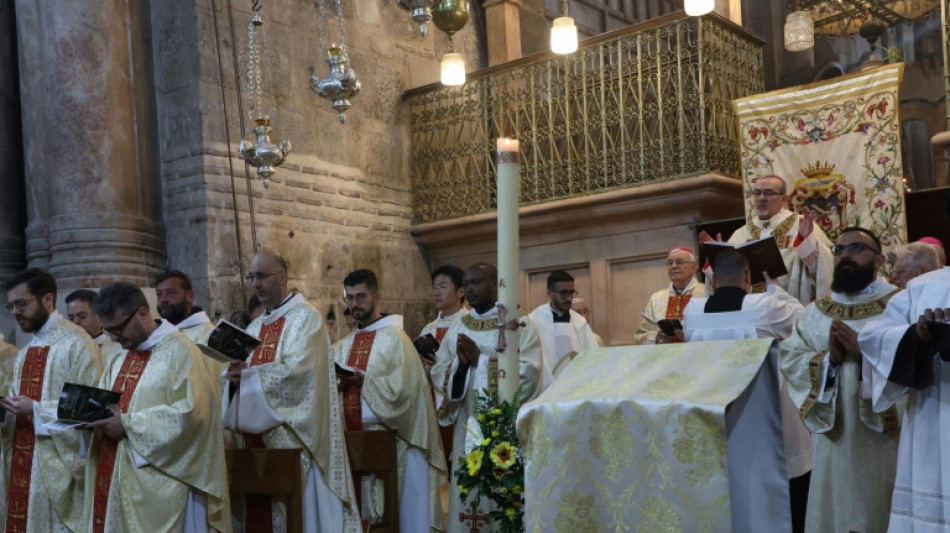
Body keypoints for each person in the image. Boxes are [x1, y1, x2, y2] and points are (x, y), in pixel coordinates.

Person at [223, 249, 359, 533]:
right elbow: (250, 370)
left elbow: (300, 375)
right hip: (257, 442)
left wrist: (248, 378)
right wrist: (233, 376)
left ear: (282, 277)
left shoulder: (305, 319)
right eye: (251, 277)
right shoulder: (257, 325)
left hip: (295, 443)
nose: (255, 283)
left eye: (261, 276)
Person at [780, 227, 900, 532]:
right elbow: (791, 358)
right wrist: (828, 361)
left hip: (889, 442)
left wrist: (865, 355)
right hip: (833, 444)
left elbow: (918, 364)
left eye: (856, 248)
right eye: (840, 249)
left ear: (879, 260)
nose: (845, 255)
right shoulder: (815, 313)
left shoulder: (900, 306)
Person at [682, 250, 810, 533]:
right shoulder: (765, 306)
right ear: (748, 276)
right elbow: (803, 321)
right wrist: (776, 288)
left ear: (713, 279)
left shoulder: (692, 311)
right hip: (766, 422)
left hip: (716, 421)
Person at [84, 281, 229, 532]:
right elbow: (106, 403)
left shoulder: (180, 351)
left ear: (142, 313)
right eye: (108, 332)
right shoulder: (120, 355)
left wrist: (128, 424)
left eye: (117, 329)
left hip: (164, 485)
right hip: (116, 476)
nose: (115, 339)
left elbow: (195, 416)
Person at [430, 263, 542, 533]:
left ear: (496, 285)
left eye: (477, 282)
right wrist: (460, 367)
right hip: (466, 428)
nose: (469, 289)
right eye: (466, 283)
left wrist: (481, 362)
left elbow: (528, 373)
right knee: (469, 502)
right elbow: (439, 370)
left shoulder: (519, 325)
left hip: (506, 432)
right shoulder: (458, 328)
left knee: (503, 501)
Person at [333, 269, 447, 531]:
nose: (354, 304)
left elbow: (407, 394)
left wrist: (366, 381)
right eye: (349, 298)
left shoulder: (397, 339)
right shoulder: (343, 345)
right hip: (353, 444)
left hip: (393, 443)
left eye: (360, 296)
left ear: (376, 296)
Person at [0, 268, 101, 533]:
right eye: (10, 306)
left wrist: (35, 409)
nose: (15, 312)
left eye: (21, 304)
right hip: (23, 465)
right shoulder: (28, 350)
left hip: (55, 471)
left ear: (47, 300)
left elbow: (91, 409)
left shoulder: (77, 344)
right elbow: (13, 401)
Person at [700, 175, 834, 305]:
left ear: (784, 199)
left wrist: (807, 243)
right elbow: (725, 281)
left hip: (789, 310)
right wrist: (718, 257)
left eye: (768, 193)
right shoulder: (740, 233)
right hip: (750, 311)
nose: (761, 198)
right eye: (757, 193)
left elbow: (826, 268)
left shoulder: (801, 225)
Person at [528, 271, 599, 385]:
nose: (569, 298)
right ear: (549, 293)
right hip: (546, 387)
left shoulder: (580, 322)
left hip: (578, 385)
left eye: (571, 292)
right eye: (563, 293)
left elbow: (593, 356)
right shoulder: (534, 321)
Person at [634, 247, 705, 344]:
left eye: (680, 262)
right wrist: (655, 338)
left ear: (694, 267)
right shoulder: (656, 298)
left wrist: (690, 336)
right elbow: (639, 336)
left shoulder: (706, 293)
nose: (674, 266)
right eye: (670, 263)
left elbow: (717, 329)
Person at [67, 288, 123, 370]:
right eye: (71, 318)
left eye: (82, 316)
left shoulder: (116, 350)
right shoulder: (65, 349)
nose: (75, 322)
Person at [156, 270, 214, 344]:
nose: (163, 300)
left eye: (171, 293)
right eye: (159, 294)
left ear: (190, 296)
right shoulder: (157, 334)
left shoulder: (209, 335)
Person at [419, 264, 466, 343]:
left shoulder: (470, 326)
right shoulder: (429, 329)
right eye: (434, 287)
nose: (436, 293)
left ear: (460, 292)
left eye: (442, 287)